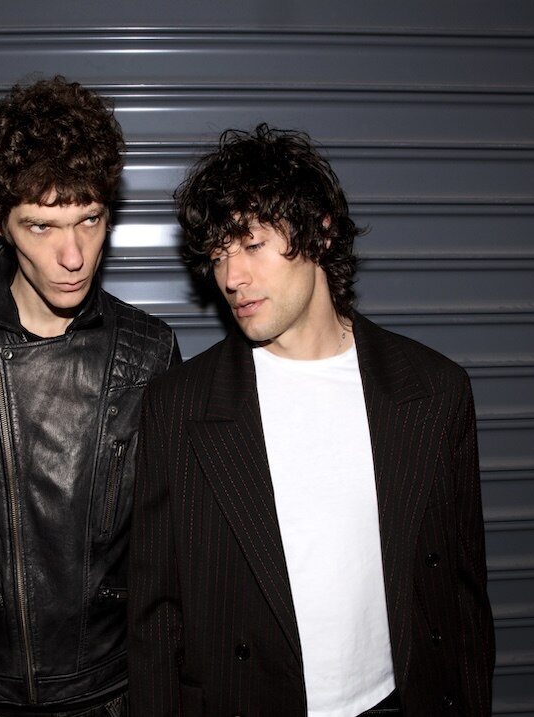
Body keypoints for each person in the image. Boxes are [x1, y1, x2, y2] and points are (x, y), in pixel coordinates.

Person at [128, 124, 494, 716]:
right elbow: (154, 620)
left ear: (319, 231)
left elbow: (462, 599)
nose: (231, 277)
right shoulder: (179, 407)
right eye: (218, 255)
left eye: (250, 245)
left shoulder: (434, 390)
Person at [0, 76, 180, 717]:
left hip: (117, 696)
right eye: (42, 225)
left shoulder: (149, 352)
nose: (72, 255)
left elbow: (177, 559)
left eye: (90, 220)